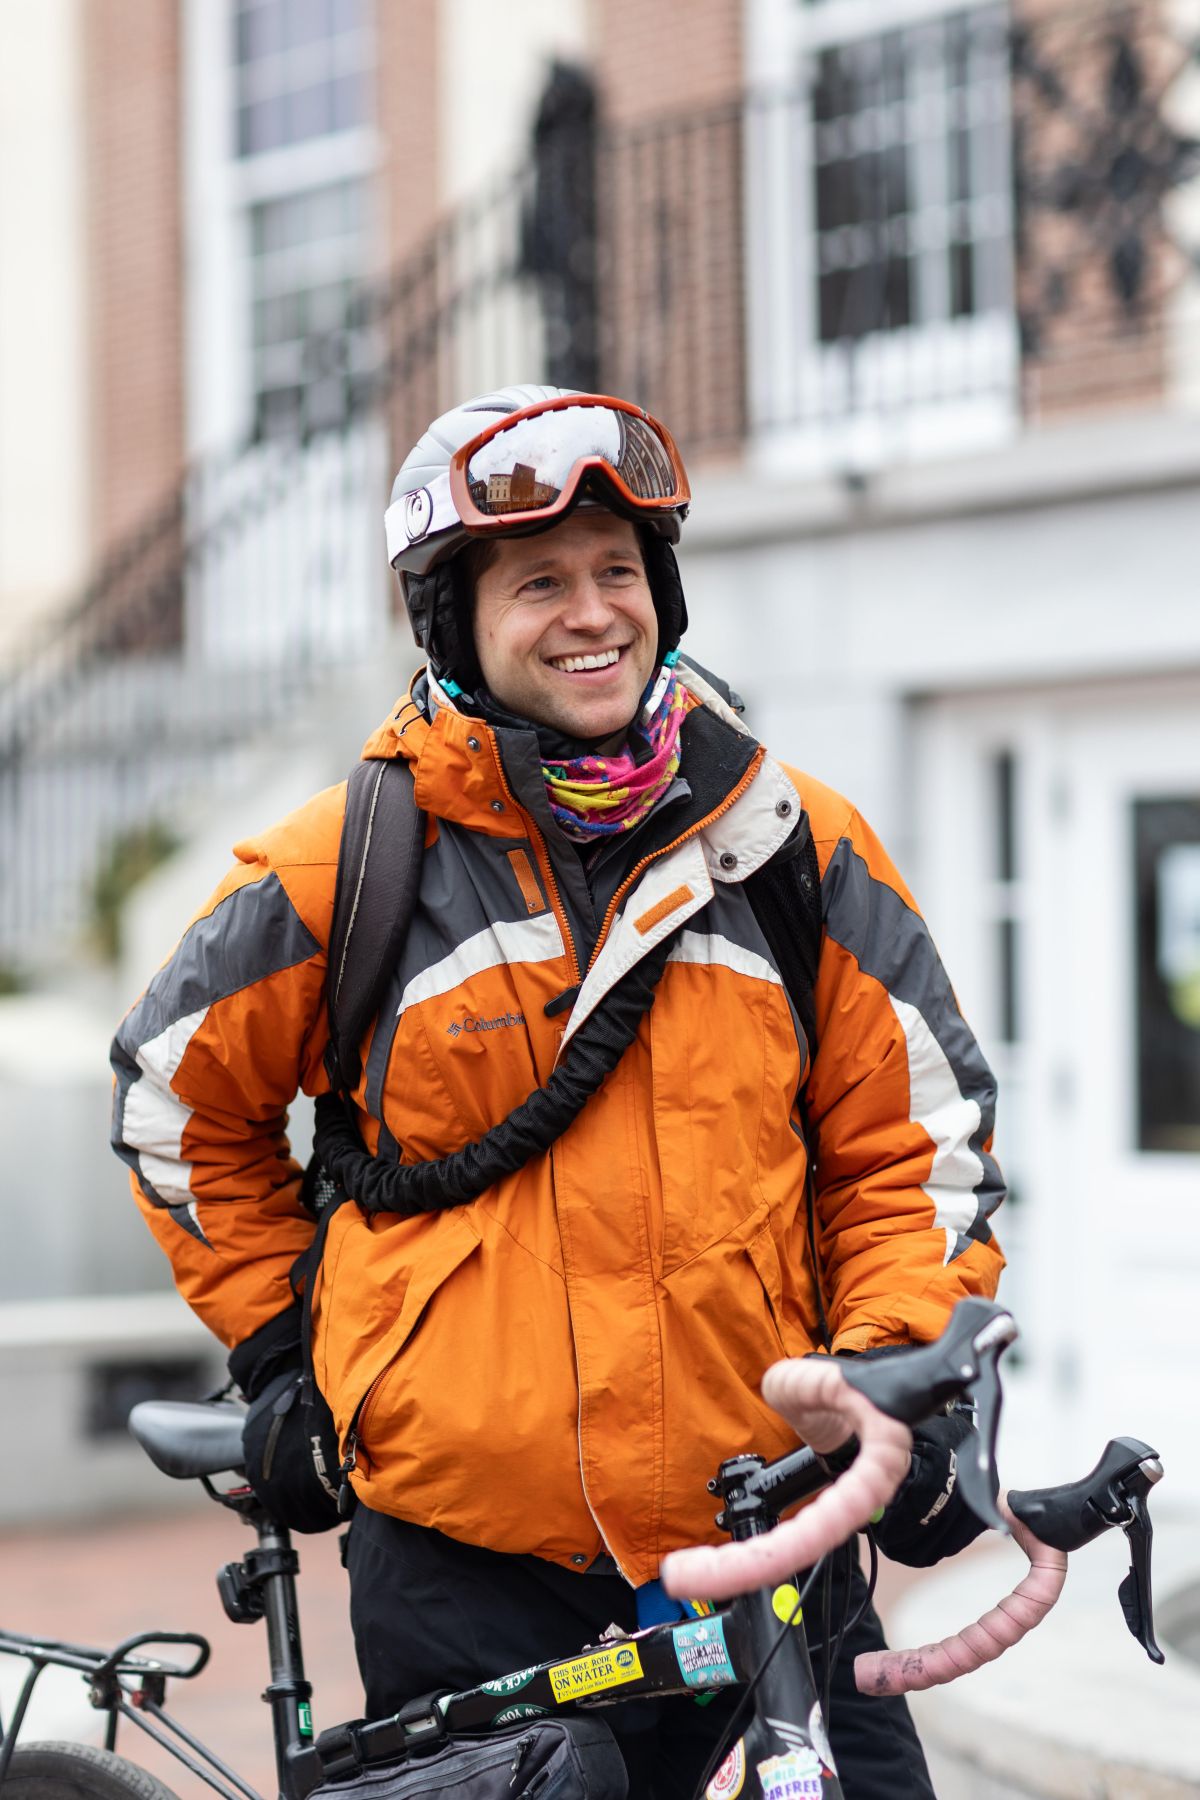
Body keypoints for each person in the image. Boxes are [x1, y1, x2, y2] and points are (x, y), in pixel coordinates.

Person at [111, 385, 1006, 1800]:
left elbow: (916, 1149)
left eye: (618, 571)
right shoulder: (346, 866)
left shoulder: (792, 845)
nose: (593, 612)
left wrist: (898, 1377)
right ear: (454, 621)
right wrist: (285, 1363)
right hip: (469, 1572)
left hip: (766, 1539)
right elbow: (174, 1105)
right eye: (539, 582)